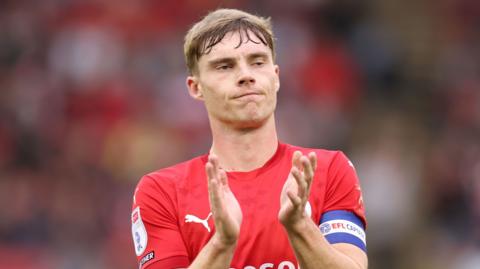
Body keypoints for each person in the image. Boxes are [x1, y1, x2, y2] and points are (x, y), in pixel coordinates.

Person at [131, 8, 368, 269]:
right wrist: (222, 243)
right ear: (196, 87)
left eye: (257, 62)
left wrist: (300, 226)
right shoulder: (161, 192)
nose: (246, 75)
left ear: (275, 77)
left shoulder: (327, 170)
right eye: (225, 66)